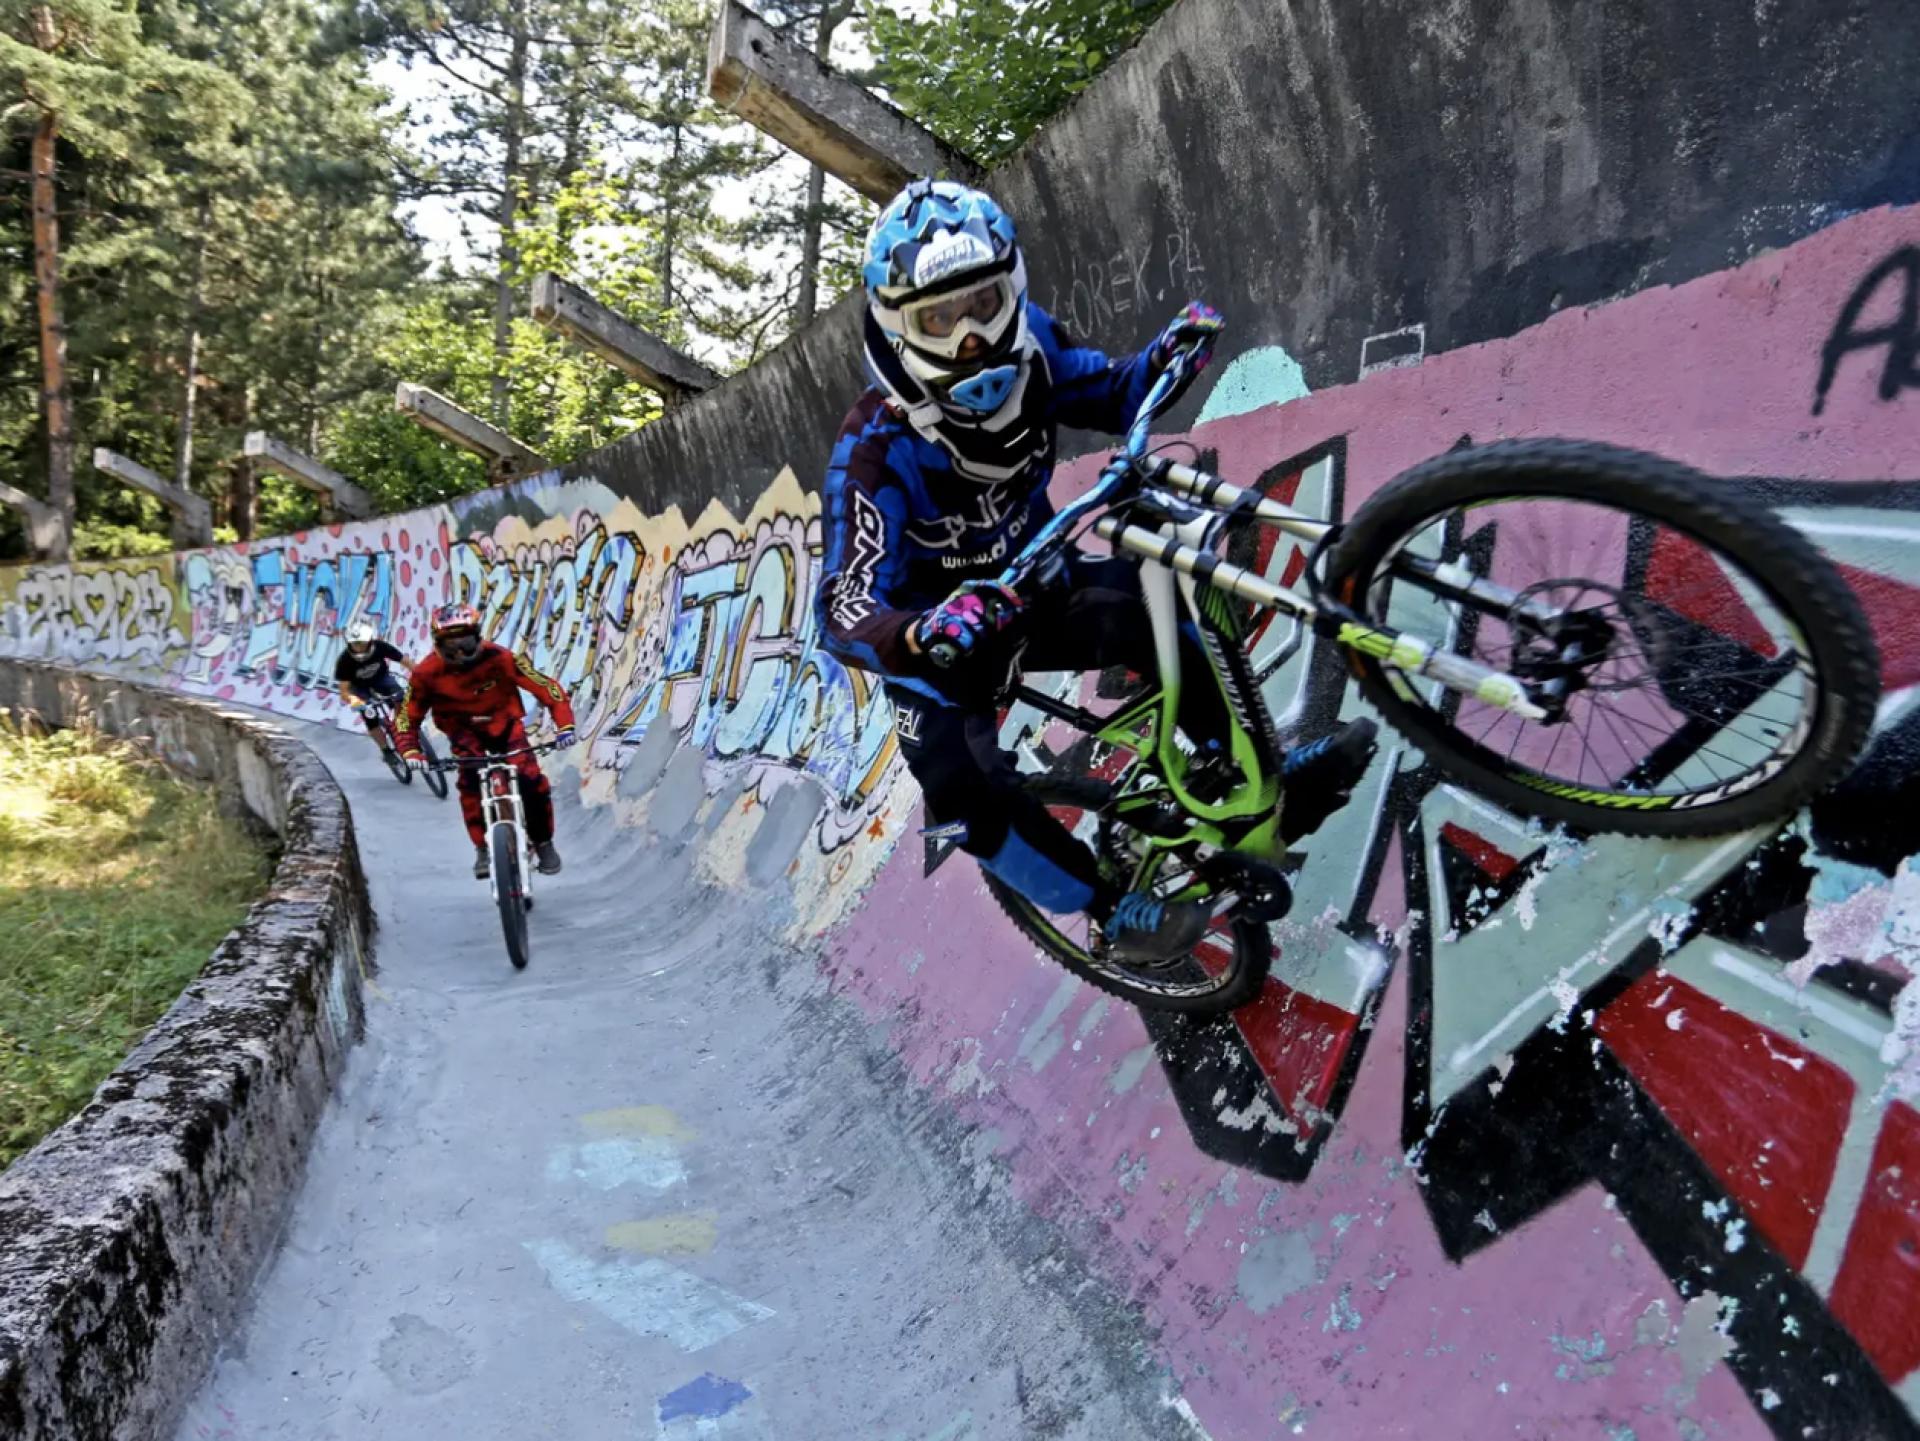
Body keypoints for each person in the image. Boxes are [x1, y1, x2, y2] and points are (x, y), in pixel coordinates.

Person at [814, 178, 1376, 963]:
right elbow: (842, 608)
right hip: (938, 650)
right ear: (895, 325)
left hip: (1036, 587)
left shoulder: (1034, 347)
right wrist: (922, 631)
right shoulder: (873, 450)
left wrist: (1165, 358)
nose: (969, 336)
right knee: (965, 796)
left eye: (979, 302)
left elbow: (1111, 391)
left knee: (1163, 620)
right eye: (937, 318)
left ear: (1009, 286)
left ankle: (1259, 788)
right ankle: (1111, 910)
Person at [394, 603, 578, 879]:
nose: (459, 652)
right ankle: (482, 847)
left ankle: (543, 842)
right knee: (469, 783)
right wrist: (410, 750)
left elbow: (547, 687)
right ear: (436, 644)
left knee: (530, 781)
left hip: (504, 724)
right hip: (462, 731)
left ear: (478, 637)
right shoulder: (425, 673)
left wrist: (565, 725)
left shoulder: (501, 657)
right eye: (450, 646)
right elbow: (407, 717)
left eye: (466, 644)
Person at [334, 620, 411, 745]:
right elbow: (344, 691)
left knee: (399, 695)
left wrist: (420, 674)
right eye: (355, 644)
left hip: (381, 679)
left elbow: (405, 661)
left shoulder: (380, 646)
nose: (359, 647)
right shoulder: (344, 661)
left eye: (362, 643)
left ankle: (402, 725)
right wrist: (353, 699)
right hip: (359, 688)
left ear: (369, 640)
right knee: (370, 717)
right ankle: (385, 749)